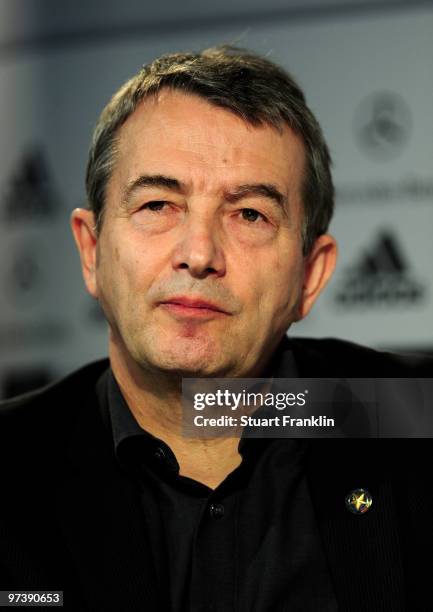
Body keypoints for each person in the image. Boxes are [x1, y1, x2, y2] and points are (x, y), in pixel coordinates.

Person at [0, 46, 432, 612]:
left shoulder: (410, 419)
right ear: (91, 250)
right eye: (158, 204)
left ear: (311, 274)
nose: (199, 254)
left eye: (250, 214)